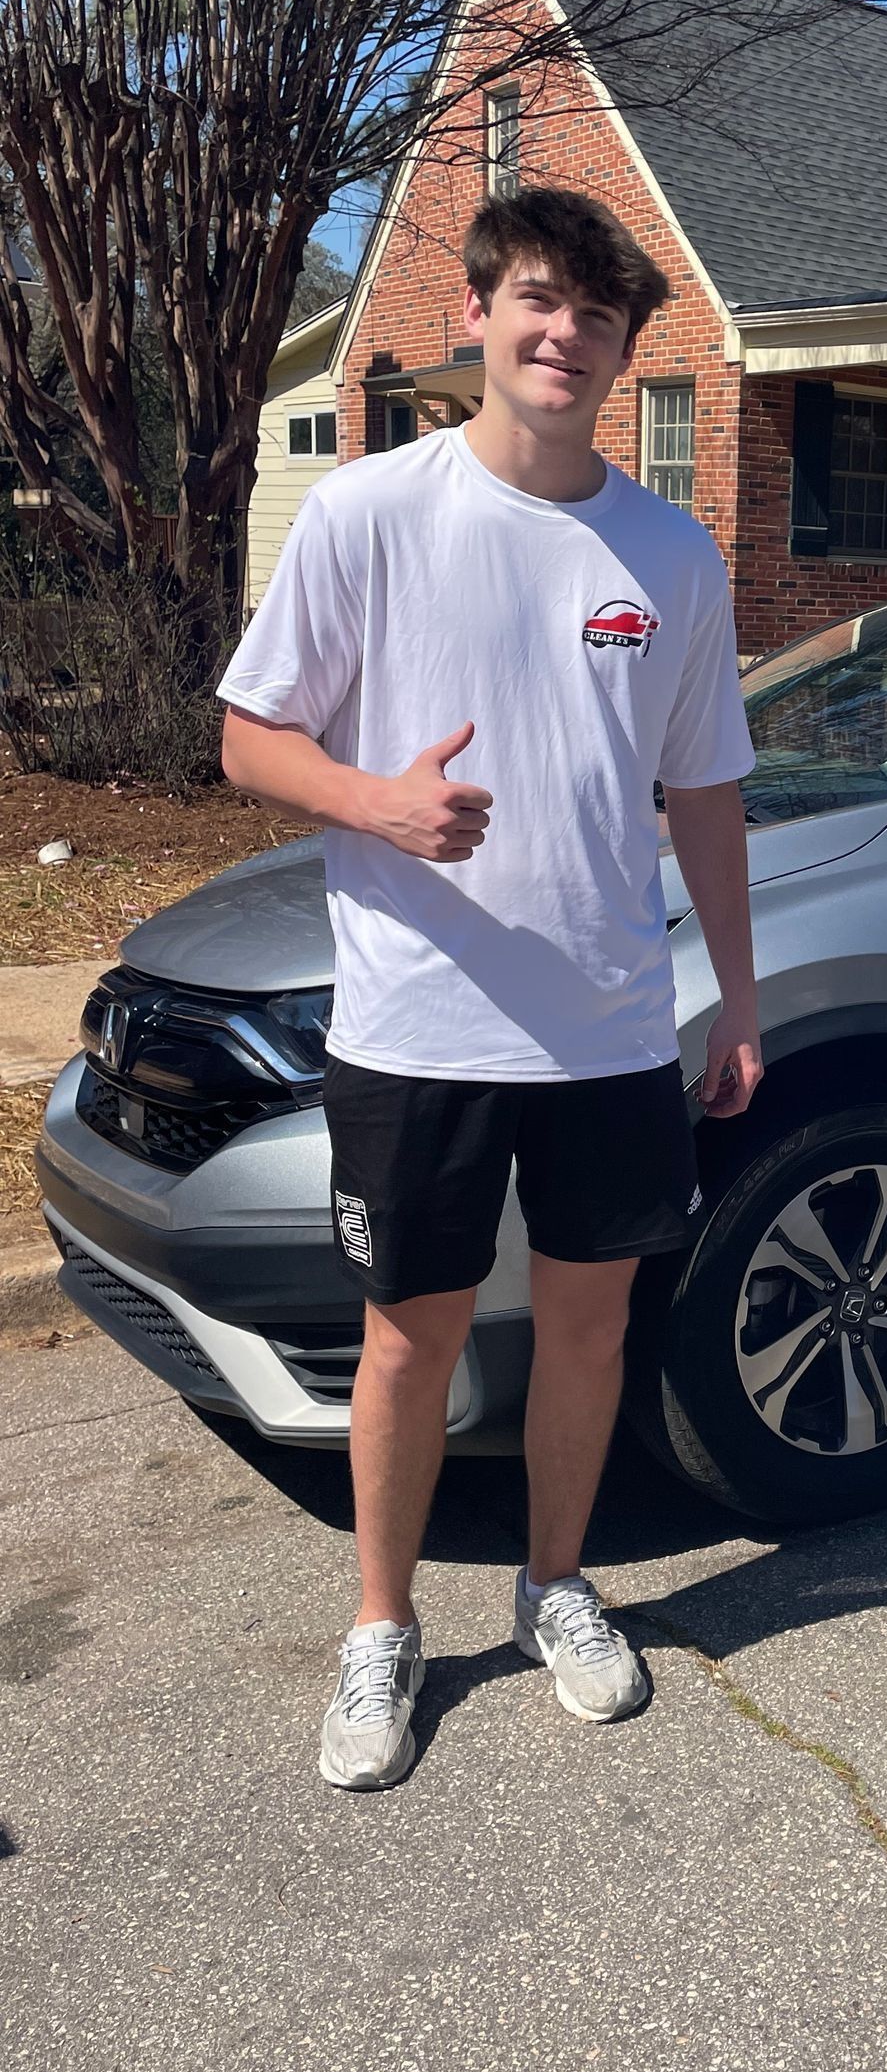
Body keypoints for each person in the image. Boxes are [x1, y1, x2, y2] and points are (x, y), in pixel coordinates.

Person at [219, 187, 760, 1790]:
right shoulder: (370, 513)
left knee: (589, 1333)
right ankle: (381, 1629)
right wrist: (376, 800)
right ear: (477, 313)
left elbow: (708, 793)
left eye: (596, 315)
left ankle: (555, 1587)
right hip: (418, 1024)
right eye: (537, 298)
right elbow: (249, 738)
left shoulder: (669, 551)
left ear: (625, 349)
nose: (563, 334)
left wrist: (737, 997)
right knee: (412, 1341)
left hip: (605, 1025)